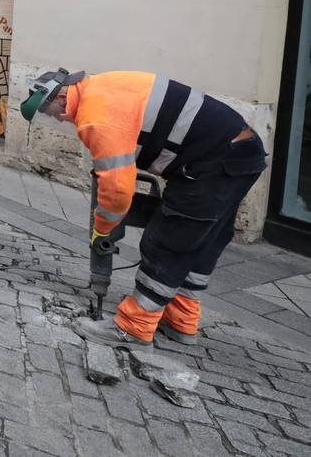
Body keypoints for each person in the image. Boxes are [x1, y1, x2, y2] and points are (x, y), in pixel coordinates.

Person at [21, 68, 267, 348]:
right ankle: (181, 321)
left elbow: (117, 188)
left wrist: (102, 230)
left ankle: (134, 328)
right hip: (240, 155)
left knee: (167, 242)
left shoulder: (95, 115)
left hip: (212, 164)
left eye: (51, 111)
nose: (57, 118)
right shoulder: (103, 86)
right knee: (200, 243)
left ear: (62, 94)